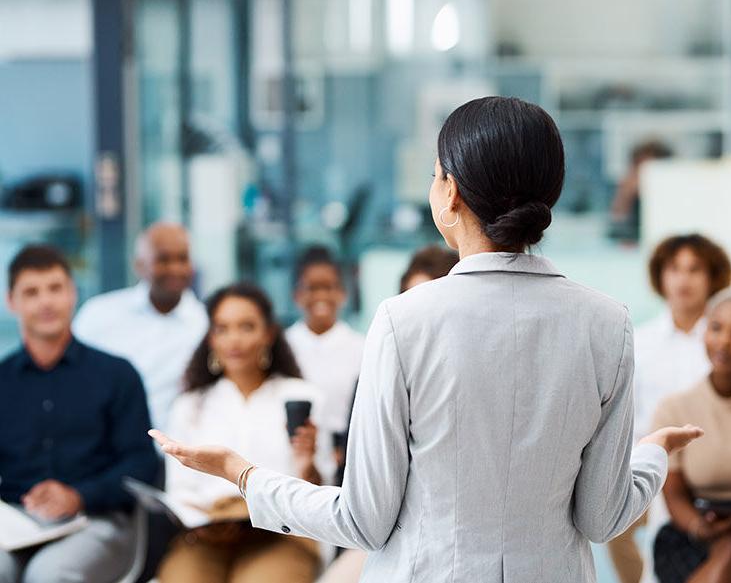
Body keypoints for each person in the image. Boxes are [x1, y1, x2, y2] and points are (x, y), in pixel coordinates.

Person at [150, 97, 702, 583]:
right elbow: (602, 518)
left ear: (452, 193)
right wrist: (651, 454)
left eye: (437, 174)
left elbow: (362, 520)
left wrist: (240, 474)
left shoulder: (403, 321)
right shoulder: (607, 323)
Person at [0, 245, 158, 583]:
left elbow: (142, 465)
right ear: (11, 302)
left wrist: (79, 496)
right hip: (16, 521)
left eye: (55, 288)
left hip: (97, 520)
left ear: (72, 293)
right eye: (31, 292)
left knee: (48, 575)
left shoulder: (117, 375)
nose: (45, 302)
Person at [156, 283, 329, 583]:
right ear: (211, 337)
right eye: (222, 328)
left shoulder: (302, 397)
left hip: (282, 534)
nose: (234, 339)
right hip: (207, 536)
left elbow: (321, 490)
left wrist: (306, 464)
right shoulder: (191, 405)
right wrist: (206, 520)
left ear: (268, 334)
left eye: (246, 327)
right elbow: (179, 490)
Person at [319, 243, 460, 583]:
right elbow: (356, 485)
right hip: (382, 535)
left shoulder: (473, 380)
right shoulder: (374, 376)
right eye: (410, 303)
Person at [608, 234, 731, 583]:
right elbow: (626, 415)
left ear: (712, 278)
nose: (683, 279)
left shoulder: (729, 341)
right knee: (615, 530)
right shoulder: (639, 341)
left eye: (694, 270)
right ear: (661, 276)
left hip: (713, 473)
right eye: (674, 269)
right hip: (651, 468)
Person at [652, 293, 731, 583]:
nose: (724, 342)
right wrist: (699, 527)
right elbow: (674, 494)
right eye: (716, 328)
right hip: (698, 533)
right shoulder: (675, 408)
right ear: (704, 332)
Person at [73, 222, 208, 430]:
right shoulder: (98, 315)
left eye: (183, 259)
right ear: (139, 265)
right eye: (163, 259)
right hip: (104, 449)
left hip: (174, 453)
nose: (175, 268)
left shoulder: (205, 325)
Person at [286, 246, 364, 436]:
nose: (320, 296)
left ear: (342, 294)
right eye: (312, 288)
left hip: (344, 455)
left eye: (328, 287)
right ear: (296, 295)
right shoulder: (283, 346)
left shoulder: (362, 347)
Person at [608, 140, 673, 243]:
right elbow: (615, 226)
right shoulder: (628, 190)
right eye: (638, 168)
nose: (642, 175)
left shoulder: (673, 201)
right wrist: (625, 194)